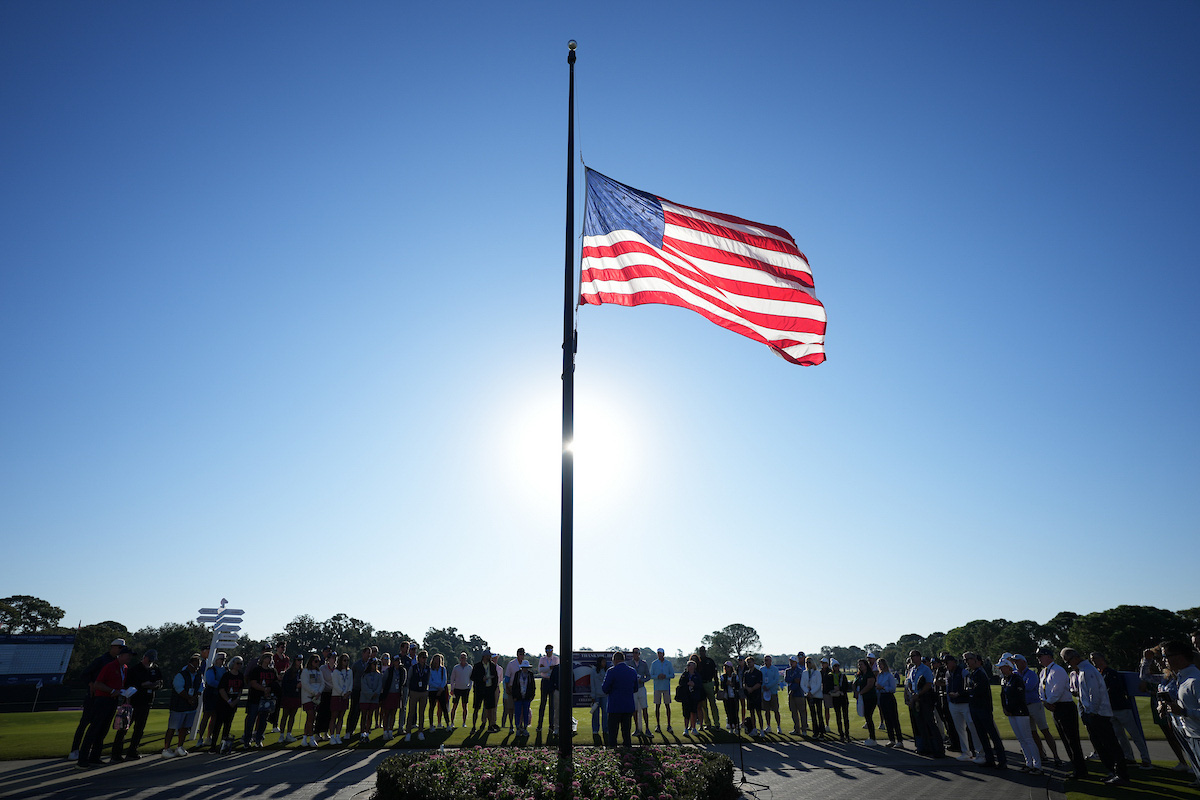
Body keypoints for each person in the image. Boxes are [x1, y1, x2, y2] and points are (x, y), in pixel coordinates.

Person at [1063, 647, 1128, 785]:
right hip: (1092, 712)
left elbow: (1094, 694)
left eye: (1068, 661)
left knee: (1110, 744)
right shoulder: (1083, 670)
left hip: (1098, 713)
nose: (1069, 665)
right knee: (1100, 745)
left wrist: (1092, 711)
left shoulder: (1088, 671)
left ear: (1074, 658)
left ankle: (1121, 774)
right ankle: (1113, 771)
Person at [1090, 651, 1152, 769]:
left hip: (1121, 708)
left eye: (1095, 659)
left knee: (1135, 735)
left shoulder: (1111, 673)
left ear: (1101, 659)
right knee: (1120, 736)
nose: (1093, 662)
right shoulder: (1100, 674)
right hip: (1111, 710)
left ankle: (1146, 759)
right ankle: (1129, 756)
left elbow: (1113, 690)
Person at [77, 645, 133, 767]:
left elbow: (120, 685)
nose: (130, 658)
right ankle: (82, 760)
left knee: (103, 730)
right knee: (94, 729)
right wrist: (112, 691)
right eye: (128, 656)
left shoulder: (124, 668)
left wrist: (124, 693)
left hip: (113, 701)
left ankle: (94, 757)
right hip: (102, 700)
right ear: (121, 655)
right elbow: (97, 684)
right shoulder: (109, 666)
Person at [69, 638, 124, 761]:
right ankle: (75, 750)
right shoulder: (101, 660)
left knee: (100, 727)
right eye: (120, 648)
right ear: (113, 647)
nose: (121, 651)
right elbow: (85, 674)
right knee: (85, 724)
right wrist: (91, 684)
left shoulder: (118, 663)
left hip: (107, 698)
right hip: (93, 697)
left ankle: (94, 754)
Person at [1037, 645, 1086, 779]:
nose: (1039, 659)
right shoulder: (1044, 672)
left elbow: (1057, 690)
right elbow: (1041, 689)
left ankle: (1080, 769)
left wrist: (1048, 702)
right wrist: (1044, 701)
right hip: (1055, 707)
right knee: (1065, 739)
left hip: (1064, 707)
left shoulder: (1057, 670)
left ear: (1049, 656)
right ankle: (1075, 766)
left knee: (1072, 740)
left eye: (1041, 656)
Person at [1157, 640, 1200, 788]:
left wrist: (1182, 711)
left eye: (1166, 656)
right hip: (1190, 732)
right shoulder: (1181, 678)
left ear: (1180, 657)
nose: (1163, 661)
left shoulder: (1195, 680)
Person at [1012, 653, 1061, 767]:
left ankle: (1056, 756)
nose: (1016, 664)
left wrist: (1018, 686)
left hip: (1035, 705)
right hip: (1024, 707)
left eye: (1018, 661)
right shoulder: (1015, 674)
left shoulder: (1031, 674)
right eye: (1015, 662)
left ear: (1024, 662)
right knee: (1032, 733)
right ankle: (1041, 754)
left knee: (1044, 730)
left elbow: (1027, 688)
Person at [998, 659, 1041, 773]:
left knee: (1028, 739)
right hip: (1011, 713)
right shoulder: (1004, 680)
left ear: (1008, 667)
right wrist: (1005, 709)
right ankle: (1028, 763)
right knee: (1021, 739)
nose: (1000, 669)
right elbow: (1003, 695)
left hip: (1020, 712)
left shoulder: (1017, 679)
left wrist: (1010, 709)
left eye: (1002, 667)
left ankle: (1037, 765)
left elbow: (1019, 698)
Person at [118, 648, 162, 760]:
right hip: (133, 702)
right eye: (150, 659)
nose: (151, 662)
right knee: (124, 728)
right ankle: (116, 753)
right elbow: (128, 684)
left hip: (147, 702)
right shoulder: (135, 669)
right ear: (145, 658)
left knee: (139, 729)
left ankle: (132, 751)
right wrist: (142, 685)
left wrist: (155, 685)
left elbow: (160, 682)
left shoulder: (155, 669)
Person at [962, 652, 1004, 768]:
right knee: (982, 736)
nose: (967, 662)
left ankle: (1001, 760)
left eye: (969, 660)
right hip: (975, 708)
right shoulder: (972, 673)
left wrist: (969, 691)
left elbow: (976, 690)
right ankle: (989, 759)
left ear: (975, 660)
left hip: (983, 708)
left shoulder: (980, 673)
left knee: (992, 735)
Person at [942, 653, 982, 762]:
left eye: (947, 662)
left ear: (954, 662)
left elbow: (968, 687)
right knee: (960, 729)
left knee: (972, 728)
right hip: (953, 703)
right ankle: (966, 752)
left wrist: (959, 693)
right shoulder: (947, 673)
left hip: (964, 702)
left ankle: (980, 753)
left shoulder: (963, 672)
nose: (946, 665)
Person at [164, 652, 204, 757]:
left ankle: (179, 747)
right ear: (189, 664)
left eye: (198, 666)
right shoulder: (181, 675)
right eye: (194, 666)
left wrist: (195, 697)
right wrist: (189, 698)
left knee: (184, 728)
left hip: (190, 706)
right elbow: (179, 689)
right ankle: (166, 749)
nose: (196, 668)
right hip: (178, 705)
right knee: (172, 727)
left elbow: (201, 687)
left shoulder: (199, 675)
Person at [906, 649, 943, 757]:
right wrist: (912, 693)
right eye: (911, 656)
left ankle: (938, 749)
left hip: (925, 697)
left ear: (919, 656)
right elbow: (909, 683)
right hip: (915, 698)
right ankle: (925, 747)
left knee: (930, 723)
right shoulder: (912, 670)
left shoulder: (925, 669)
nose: (912, 658)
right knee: (920, 725)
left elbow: (928, 683)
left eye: (914, 656)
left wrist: (919, 693)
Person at [602, 651, 638, 747]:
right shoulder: (632, 671)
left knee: (613, 733)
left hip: (615, 705)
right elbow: (636, 688)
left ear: (615, 660)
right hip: (628, 705)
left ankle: (613, 753)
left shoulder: (611, 671)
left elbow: (605, 688)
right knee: (626, 732)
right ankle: (628, 753)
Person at [243, 652, 278, 748]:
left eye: (271, 658)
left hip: (267, 699)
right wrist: (264, 689)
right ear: (263, 659)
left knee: (263, 720)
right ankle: (247, 740)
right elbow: (253, 683)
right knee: (251, 719)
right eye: (268, 657)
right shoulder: (256, 670)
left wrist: (269, 689)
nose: (270, 659)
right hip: (255, 698)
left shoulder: (272, 671)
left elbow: (275, 683)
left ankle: (259, 739)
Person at [213, 655, 245, 753]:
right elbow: (221, 689)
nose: (239, 665)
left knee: (228, 725)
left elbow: (240, 690)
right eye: (237, 663)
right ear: (232, 664)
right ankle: (213, 745)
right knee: (218, 725)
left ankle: (224, 745)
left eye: (240, 663)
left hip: (233, 704)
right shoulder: (226, 675)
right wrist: (228, 701)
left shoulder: (240, 676)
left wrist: (237, 700)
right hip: (223, 704)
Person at [195, 651, 226, 750]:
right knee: (206, 715)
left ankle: (209, 737)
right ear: (217, 659)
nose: (223, 661)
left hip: (219, 695)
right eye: (221, 659)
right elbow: (211, 681)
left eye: (224, 659)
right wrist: (222, 685)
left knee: (215, 716)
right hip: (211, 694)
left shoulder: (225, 670)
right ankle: (200, 738)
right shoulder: (211, 670)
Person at [344, 647, 372, 739]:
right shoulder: (356, 665)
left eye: (370, 654)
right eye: (368, 653)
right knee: (353, 711)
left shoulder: (370, 664)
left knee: (363, 712)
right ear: (363, 653)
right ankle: (349, 731)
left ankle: (361, 731)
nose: (369, 655)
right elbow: (352, 677)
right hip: (356, 690)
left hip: (365, 691)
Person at [470, 649, 501, 733]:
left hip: (489, 690)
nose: (490, 657)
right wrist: (481, 679)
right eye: (488, 656)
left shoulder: (492, 666)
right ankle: (473, 726)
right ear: (484, 656)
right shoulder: (477, 666)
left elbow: (496, 678)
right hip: (479, 690)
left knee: (490, 709)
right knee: (476, 708)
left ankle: (490, 726)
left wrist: (493, 688)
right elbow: (472, 677)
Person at [875, 657, 903, 748]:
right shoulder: (879, 675)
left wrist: (882, 688)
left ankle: (899, 740)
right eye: (878, 665)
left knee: (894, 719)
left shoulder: (889, 676)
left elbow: (893, 689)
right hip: (882, 697)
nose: (880, 666)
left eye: (881, 664)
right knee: (887, 719)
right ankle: (891, 739)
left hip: (889, 696)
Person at [404, 649, 431, 741]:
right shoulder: (414, 667)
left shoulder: (427, 668)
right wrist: (409, 690)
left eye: (426, 658)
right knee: (411, 712)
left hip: (423, 692)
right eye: (423, 657)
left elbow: (429, 680)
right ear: (419, 658)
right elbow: (409, 679)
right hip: (414, 691)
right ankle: (408, 732)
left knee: (421, 713)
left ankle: (420, 731)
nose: (424, 659)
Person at [299, 653, 325, 747]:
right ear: (311, 661)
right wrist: (314, 692)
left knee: (311, 718)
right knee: (310, 716)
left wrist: (319, 692)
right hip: (308, 697)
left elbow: (322, 683)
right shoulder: (306, 671)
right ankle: (311, 738)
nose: (317, 663)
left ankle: (305, 738)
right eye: (315, 661)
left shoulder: (319, 672)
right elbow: (305, 684)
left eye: (318, 661)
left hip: (317, 697)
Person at [329, 653, 353, 745]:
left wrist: (348, 692)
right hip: (337, 695)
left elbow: (350, 683)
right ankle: (332, 736)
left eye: (347, 660)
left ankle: (338, 736)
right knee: (334, 716)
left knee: (341, 717)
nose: (346, 662)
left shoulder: (349, 671)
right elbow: (335, 685)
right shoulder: (336, 672)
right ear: (340, 661)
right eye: (344, 660)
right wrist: (343, 693)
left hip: (346, 696)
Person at [278, 655, 303, 743]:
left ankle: (289, 734)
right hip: (288, 696)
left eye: (301, 660)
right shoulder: (289, 672)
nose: (300, 662)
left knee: (292, 716)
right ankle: (281, 734)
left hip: (296, 696)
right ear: (295, 661)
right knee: (285, 715)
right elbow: (285, 685)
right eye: (298, 660)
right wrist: (295, 685)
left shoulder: (301, 671)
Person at [650, 648, 675, 733]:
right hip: (657, 687)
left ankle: (669, 725)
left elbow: (672, 675)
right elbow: (651, 675)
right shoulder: (654, 663)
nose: (659, 655)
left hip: (666, 687)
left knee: (667, 706)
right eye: (658, 653)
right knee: (657, 706)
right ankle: (658, 725)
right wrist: (657, 676)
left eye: (661, 653)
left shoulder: (668, 663)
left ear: (663, 654)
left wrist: (665, 676)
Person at [696, 646, 721, 730]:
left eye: (703, 651)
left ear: (705, 651)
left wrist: (717, 686)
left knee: (713, 704)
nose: (701, 652)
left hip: (709, 683)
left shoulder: (710, 661)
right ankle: (707, 723)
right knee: (704, 706)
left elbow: (714, 674)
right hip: (701, 685)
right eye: (700, 651)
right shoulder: (698, 662)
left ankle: (717, 723)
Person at [853, 659, 878, 745]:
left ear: (866, 665)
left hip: (870, 698)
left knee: (868, 716)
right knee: (867, 717)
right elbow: (854, 684)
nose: (860, 666)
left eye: (861, 664)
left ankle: (873, 738)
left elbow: (869, 685)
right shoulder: (859, 675)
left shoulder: (869, 674)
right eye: (859, 665)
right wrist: (856, 692)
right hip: (862, 698)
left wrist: (860, 693)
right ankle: (871, 737)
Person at [628, 648, 652, 738]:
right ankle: (637, 729)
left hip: (641, 688)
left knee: (644, 708)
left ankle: (647, 729)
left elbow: (648, 676)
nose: (635, 654)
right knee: (634, 710)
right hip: (633, 689)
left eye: (637, 653)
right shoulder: (629, 664)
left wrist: (642, 680)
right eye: (634, 653)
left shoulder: (644, 664)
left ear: (639, 654)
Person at [358, 658, 383, 742]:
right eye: (373, 664)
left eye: (376, 664)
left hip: (374, 698)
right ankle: (362, 734)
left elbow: (380, 685)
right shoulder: (365, 675)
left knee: (370, 716)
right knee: (363, 716)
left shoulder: (379, 675)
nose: (375, 665)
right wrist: (371, 694)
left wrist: (376, 693)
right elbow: (364, 686)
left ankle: (367, 733)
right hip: (365, 698)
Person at [536, 644, 560, 733]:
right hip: (544, 681)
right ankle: (539, 725)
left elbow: (556, 670)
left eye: (550, 650)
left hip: (552, 682)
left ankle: (551, 725)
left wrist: (545, 668)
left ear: (552, 650)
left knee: (552, 705)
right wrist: (550, 668)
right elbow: (540, 670)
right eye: (547, 650)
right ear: (545, 651)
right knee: (542, 703)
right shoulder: (542, 659)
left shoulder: (556, 659)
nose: (549, 651)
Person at [678, 660, 704, 736]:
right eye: (688, 665)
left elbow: (700, 685)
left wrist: (694, 684)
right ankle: (686, 729)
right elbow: (680, 683)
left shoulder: (697, 675)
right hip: (686, 696)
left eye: (690, 665)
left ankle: (694, 728)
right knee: (686, 714)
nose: (688, 666)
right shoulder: (684, 675)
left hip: (694, 696)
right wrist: (687, 683)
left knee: (694, 712)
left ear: (694, 667)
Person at [503, 646, 526, 732]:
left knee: (521, 709)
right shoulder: (511, 664)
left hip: (522, 689)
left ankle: (520, 725)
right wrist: (507, 688)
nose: (522, 656)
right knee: (511, 708)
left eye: (523, 654)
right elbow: (507, 677)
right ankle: (511, 725)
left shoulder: (525, 664)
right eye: (520, 654)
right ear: (517, 655)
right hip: (512, 688)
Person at [802, 656, 826, 738]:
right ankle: (815, 731)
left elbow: (819, 684)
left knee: (819, 714)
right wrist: (807, 692)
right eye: (806, 663)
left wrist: (811, 692)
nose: (808, 664)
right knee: (813, 714)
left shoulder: (817, 672)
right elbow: (802, 684)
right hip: (809, 696)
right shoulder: (804, 673)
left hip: (817, 695)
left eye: (809, 662)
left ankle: (822, 732)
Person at [511, 659, 536, 736]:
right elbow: (514, 686)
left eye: (526, 667)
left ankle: (525, 728)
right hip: (518, 697)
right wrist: (514, 696)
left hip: (527, 697)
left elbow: (532, 686)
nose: (525, 669)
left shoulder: (530, 675)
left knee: (526, 713)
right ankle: (518, 728)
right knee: (518, 713)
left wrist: (532, 696)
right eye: (524, 667)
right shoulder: (517, 674)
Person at [828, 659, 851, 741]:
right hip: (835, 698)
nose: (837, 667)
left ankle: (847, 734)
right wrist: (834, 689)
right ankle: (841, 734)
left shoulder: (842, 675)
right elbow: (828, 687)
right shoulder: (830, 676)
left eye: (838, 666)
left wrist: (840, 689)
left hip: (843, 697)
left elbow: (846, 687)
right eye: (835, 666)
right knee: (838, 717)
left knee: (845, 717)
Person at [785, 656, 808, 735]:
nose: (791, 663)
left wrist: (792, 690)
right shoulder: (788, 671)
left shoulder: (800, 670)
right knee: (793, 712)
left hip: (799, 694)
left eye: (793, 661)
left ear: (796, 662)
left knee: (802, 712)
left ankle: (804, 729)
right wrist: (793, 680)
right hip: (791, 694)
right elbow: (787, 679)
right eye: (790, 661)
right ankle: (796, 729)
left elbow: (798, 681)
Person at [449, 652, 473, 728]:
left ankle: (464, 723)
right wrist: (452, 688)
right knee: (454, 706)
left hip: (465, 689)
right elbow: (452, 678)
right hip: (457, 689)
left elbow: (471, 678)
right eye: (462, 657)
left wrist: (470, 687)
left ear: (466, 658)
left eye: (464, 657)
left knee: (464, 706)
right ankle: (452, 722)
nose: (463, 659)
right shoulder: (456, 667)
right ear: (460, 658)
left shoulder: (469, 667)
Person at [760, 655, 783, 734]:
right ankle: (768, 726)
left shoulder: (775, 669)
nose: (767, 661)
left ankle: (779, 726)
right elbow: (760, 680)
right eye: (765, 660)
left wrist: (768, 686)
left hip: (773, 692)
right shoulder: (762, 669)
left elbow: (776, 680)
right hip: (764, 692)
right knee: (766, 711)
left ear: (771, 661)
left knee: (776, 710)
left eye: (768, 660)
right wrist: (764, 686)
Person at [742, 655, 764, 736]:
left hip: (757, 695)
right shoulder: (746, 673)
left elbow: (759, 683)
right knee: (752, 713)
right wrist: (747, 688)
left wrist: (752, 689)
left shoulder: (758, 673)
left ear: (753, 663)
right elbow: (744, 683)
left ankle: (761, 730)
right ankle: (754, 729)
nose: (748, 664)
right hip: (749, 696)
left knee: (759, 713)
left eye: (750, 662)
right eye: (747, 662)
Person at [427, 653, 451, 729]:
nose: (437, 662)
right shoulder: (430, 670)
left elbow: (444, 680)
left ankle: (448, 724)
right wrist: (438, 687)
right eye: (435, 660)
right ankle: (431, 725)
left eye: (438, 660)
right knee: (432, 707)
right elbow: (430, 681)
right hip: (433, 690)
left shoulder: (443, 669)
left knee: (444, 708)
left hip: (441, 690)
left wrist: (441, 688)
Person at [719, 661, 742, 733]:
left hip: (734, 697)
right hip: (727, 697)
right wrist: (726, 684)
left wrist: (732, 684)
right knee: (728, 712)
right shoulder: (723, 676)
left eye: (728, 667)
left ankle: (736, 726)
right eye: (725, 667)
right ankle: (731, 727)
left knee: (735, 712)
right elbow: (722, 686)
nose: (726, 668)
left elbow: (738, 686)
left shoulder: (735, 676)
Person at [590, 656, 609, 742]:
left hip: (605, 695)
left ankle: (605, 729)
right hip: (597, 696)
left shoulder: (607, 671)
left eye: (605, 662)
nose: (604, 663)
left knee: (605, 713)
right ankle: (595, 730)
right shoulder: (593, 671)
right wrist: (593, 696)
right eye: (603, 662)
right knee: (595, 714)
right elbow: (592, 684)